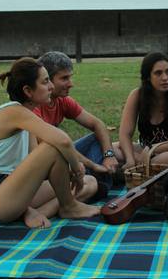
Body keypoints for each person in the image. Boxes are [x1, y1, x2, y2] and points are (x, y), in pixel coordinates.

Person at [0, 57, 100, 229]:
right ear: (28, 91)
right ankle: (68, 206)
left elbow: (37, 165)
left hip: (14, 189)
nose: (51, 87)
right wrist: (77, 170)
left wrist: (67, 173)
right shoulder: (13, 112)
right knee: (53, 146)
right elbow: (62, 141)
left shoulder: (26, 119)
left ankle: (38, 212)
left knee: (91, 183)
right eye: (45, 82)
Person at [33, 52, 119, 190]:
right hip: (43, 163)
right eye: (64, 78)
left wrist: (109, 155)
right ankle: (97, 182)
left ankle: (97, 181)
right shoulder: (33, 106)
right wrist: (92, 164)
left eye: (70, 78)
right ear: (47, 79)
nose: (70, 84)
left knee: (96, 139)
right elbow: (57, 147)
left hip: (61, 154)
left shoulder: (63, 101)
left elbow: (97, 125)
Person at [116, 52, 168, 168]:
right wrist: (130, 159)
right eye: (158, 73)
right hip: (143, 149)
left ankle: (145, 166)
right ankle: (140, 164)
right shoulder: (137, 95)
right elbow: (125, 134)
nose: (165, 78)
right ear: (148, 77)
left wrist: (153, 149)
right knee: (109, 147)